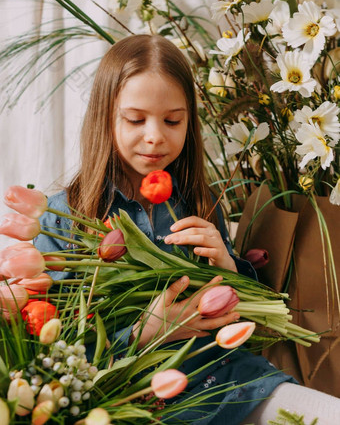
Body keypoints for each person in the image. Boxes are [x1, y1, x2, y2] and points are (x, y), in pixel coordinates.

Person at [35, 34, 340, 424]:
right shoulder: (65, 217)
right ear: (104, 117)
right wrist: (146, 331)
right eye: (135, 119)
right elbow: (56, 347)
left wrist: (229, 270)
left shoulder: (196, 201)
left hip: (225, 377)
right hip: (132, 395)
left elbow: (242, 315)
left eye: (172, 120)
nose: (155, 135)